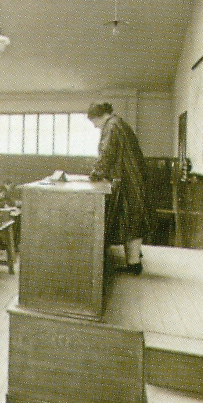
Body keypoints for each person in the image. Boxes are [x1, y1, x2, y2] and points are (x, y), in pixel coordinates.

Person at [88, 102, 150, 275]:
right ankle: (134, 261)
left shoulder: (112, 126)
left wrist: (96, 172)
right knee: (132, 219)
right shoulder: (119, 123)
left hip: (127, 178)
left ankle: (134, 264)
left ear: (99, 116)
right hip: (132, 176)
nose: (94, 126)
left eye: (94, 121)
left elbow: (107, 153)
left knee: (130, 219)